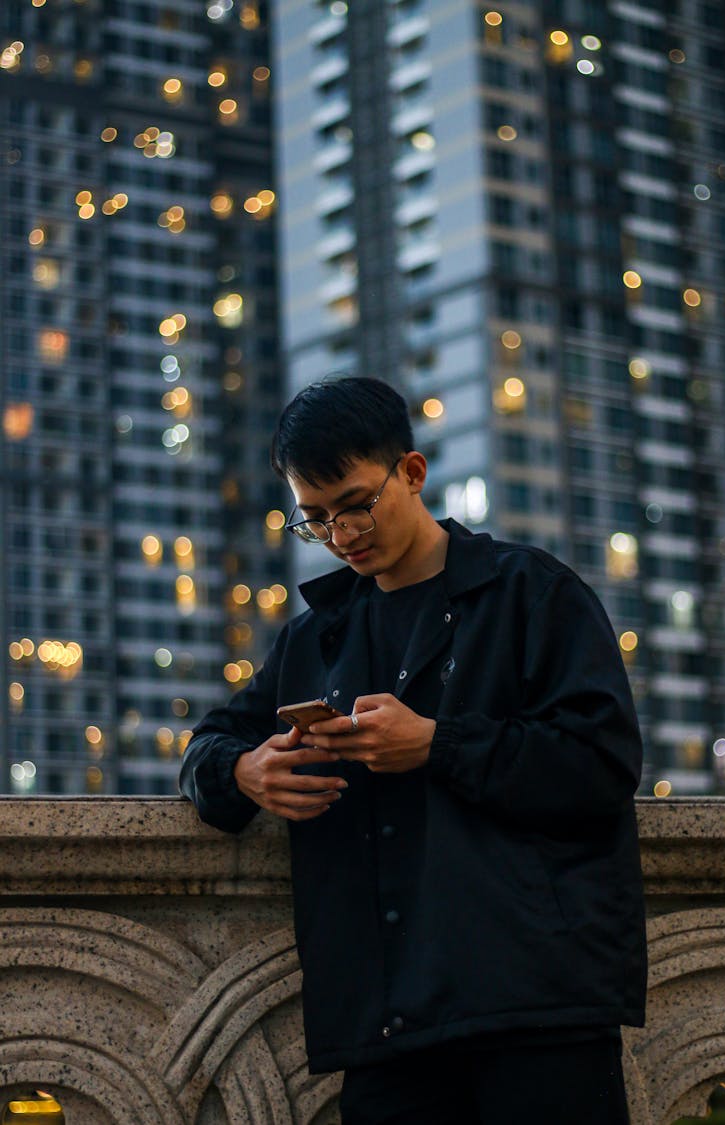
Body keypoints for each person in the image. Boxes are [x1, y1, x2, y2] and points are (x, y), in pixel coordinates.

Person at [179, 376, 647, 1124]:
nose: (342, 534)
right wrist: (244, 770)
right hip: (386, 1024)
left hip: (537, 1009)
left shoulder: (531, 593)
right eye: (317, 519)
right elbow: (206, 744)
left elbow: (603, 762)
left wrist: (436, 743)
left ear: (413, 472)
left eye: (357, 503)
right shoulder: (316, 635)